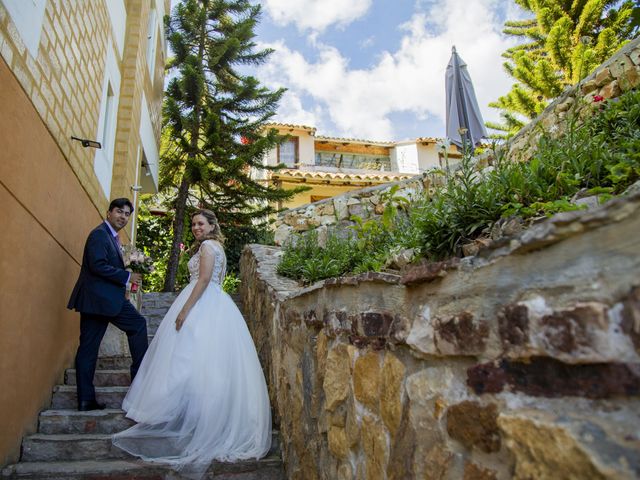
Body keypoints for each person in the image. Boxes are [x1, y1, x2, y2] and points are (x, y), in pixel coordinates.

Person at [112, 209, 271, 478]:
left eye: (201, 223)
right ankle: (190, 410)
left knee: (190, 357)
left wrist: (185, 309)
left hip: (203, 302)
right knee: (193, 359)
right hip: (210, 301)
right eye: (194, 224)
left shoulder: (209, 246)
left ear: (211, 226)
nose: (197, 227)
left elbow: (205, 279)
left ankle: (186, 413)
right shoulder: (212, 245)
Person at [67, 198, 148, 411]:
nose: (123, 217)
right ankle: (139, 383)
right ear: (109, 212)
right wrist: (126, 277)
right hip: (99, 299)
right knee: (137, 325)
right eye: (119, 212)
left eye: (127, 214)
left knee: (89, 348)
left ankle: (86, 400)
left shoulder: (112, 238)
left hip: (102, 300)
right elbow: (97, 265)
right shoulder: (99, 234)